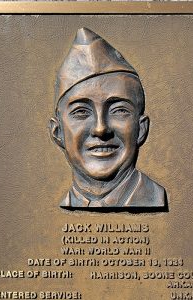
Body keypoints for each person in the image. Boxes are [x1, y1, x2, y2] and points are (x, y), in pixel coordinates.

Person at [50, 27, 166, 208]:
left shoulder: (156, 198)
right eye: (81, 112)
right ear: (58, 132)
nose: (100, 128)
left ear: (141, 128)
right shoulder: (51, 210)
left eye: (119, 110)